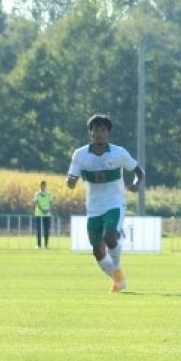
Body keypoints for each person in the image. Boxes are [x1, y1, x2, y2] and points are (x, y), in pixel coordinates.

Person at [66, 114, 143, 293]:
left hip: (115, 204)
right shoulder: (80, 155)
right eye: (96, 130)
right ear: (90, 133)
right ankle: (118, 278)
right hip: (93, 208)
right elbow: (72, 178)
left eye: (103, 130)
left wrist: (136, 184)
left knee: (110, 238)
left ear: (108, 133)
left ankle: (116, 268)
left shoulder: (119, 153)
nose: (99, 133)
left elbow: (139, 171)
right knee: (97, 251)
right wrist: (70, 182)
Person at [33, 180, 54, 249]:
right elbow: (36, 202)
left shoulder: (49, 194)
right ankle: (39, 245)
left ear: (46, 186)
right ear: (40, 186)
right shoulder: (37, 194)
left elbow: (51, 203)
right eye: (41, 185)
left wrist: (48, 210)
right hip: (38, 214)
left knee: (46, 230)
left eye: (44, 185)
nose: (43, 187)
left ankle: (46, 245)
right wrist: (42, 210)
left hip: (47, 214)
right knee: (38, 230)